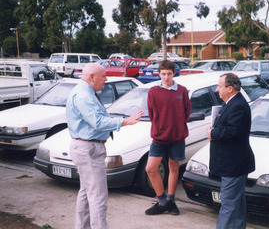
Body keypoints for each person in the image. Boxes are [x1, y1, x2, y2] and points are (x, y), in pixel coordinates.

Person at [66, 63, 143, 229]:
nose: (106, 79)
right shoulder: (84, 96)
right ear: (92, 77)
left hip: (86, 147)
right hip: (89, 149)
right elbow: (99, 122)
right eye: (103, 76)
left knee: (87, 193)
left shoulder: (85, 93)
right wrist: (125, 121)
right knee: (98, 196)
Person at [206, 73, 255, 229]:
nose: (216, 89)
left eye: (219, 86)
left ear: (230, 88)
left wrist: (212, 133)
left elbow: (233, 131)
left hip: (233, 165)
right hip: (232, 164)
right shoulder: (231, 103)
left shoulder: (238, 105)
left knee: (228, 205)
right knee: (237, 203)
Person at [145, 60, 191, 215]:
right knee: (151, 169)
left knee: (174, 168)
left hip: (177, 137)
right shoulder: (153, 91)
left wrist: (177, 128)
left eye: (169, 74)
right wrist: (161, 128)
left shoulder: (182, 91)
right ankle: (162, 201)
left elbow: (186, 113)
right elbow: (152, 114)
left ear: (174, 73)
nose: (166, 77)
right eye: (163, 74)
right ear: (159, 74)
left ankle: (171, 202)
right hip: (159, 137)